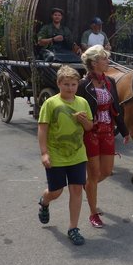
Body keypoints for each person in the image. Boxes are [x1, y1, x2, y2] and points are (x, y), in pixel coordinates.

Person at [37, 65, 93, 246]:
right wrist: (44, 153)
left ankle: (73, 228)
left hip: (77, 154)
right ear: (59, 84)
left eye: (74, 84)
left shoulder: (82, 103)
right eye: (66, 84)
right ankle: (44, 201)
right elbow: (42, 128)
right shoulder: (51, 103)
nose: (70, 88)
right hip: (56, 155)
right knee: (56, 191)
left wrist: (85, 121)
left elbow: (89, 127)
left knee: (76, 189)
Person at [77, 45, 129, 228]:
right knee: (93, 173)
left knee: (106, 172)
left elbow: (117, 108)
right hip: (90, 133)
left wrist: (124, 130)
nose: (108, 62)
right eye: (104, 59)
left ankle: (88, 186)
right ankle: (93, 213)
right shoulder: (83, 85)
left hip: (108, 131)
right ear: (93, 63)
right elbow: (75, 109)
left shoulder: (110, 82)